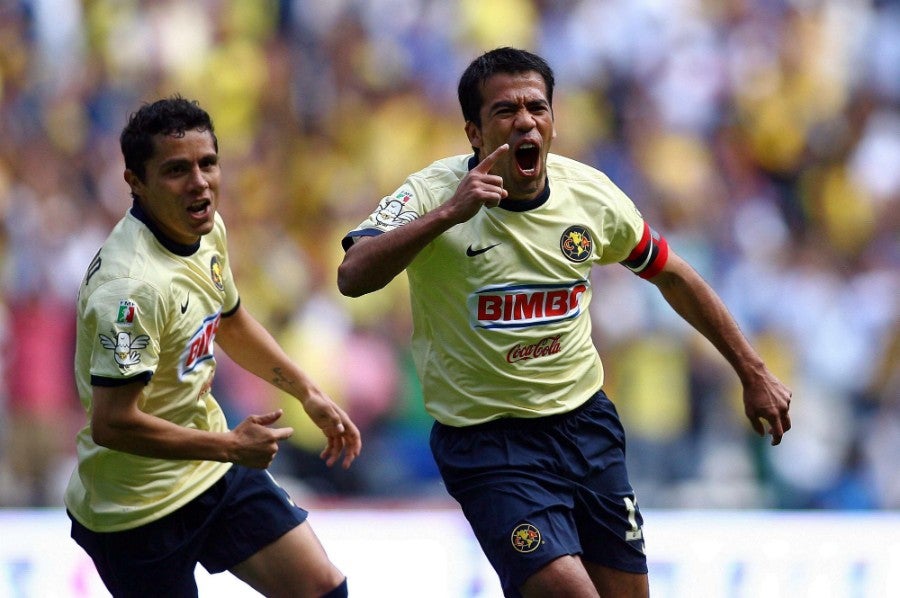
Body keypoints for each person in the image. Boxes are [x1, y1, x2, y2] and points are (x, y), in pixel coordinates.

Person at [337, 47, 792, 597]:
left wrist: (752, 370)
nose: (526, 120)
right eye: (506, 111)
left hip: (584, 429)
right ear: (474, 133)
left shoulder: (591, 197)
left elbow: (673, 275)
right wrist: (447, 217)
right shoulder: (432, 193)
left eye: (538, 107)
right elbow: (353, 274)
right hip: (488, 443)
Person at [64, 96, 361, 598]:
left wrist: (307, 392)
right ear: (135, 182)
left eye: (208, 163)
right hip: (135, 510)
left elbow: (232, 322)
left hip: (211, 468)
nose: (199, 182)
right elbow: (113, 423)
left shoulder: (205, 230)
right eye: (176, 170)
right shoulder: (131, 288)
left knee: (323, 589)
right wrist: (231, 446)